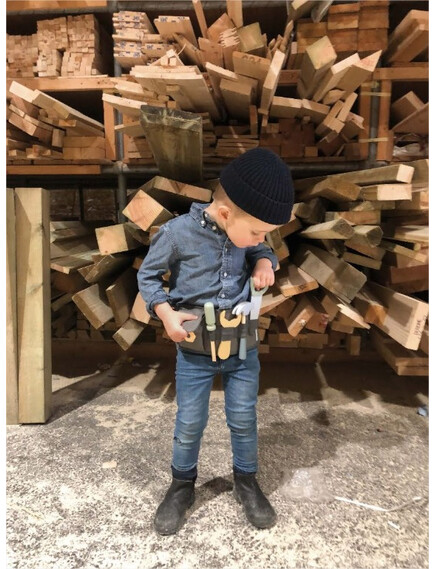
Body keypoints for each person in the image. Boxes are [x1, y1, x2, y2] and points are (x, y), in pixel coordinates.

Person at [138, 147, 294, 535]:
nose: (260, 238)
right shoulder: (175, 235)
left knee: (243, 418)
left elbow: (260, 248)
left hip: (242, 348)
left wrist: (264, 260)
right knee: (190, 421)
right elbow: (148, 277)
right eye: (257, 231)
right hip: (194, 350)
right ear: (225, 214)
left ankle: (246, 481)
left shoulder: (244, 231)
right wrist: (165, 313)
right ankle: (181, 485)